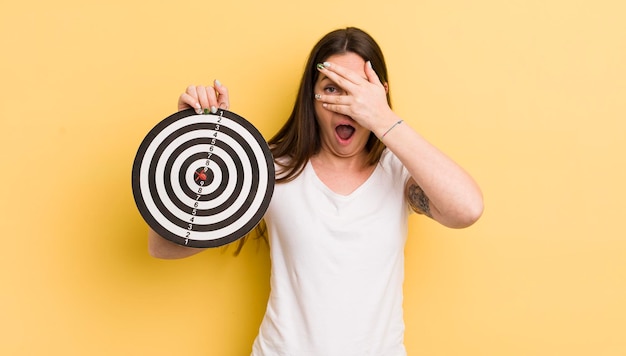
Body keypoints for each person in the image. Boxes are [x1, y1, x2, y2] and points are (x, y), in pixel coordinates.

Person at [148, 27, 483, 356]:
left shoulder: (398, 172)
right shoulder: (272, 169)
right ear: (312, 95)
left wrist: (383, 118)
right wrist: (193, 139)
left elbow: (467, 208)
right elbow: (164, 246)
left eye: (357, 90)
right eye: (331, 89)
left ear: (379, 94)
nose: (344, 105)